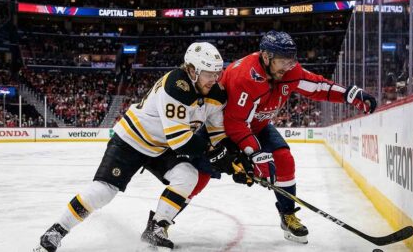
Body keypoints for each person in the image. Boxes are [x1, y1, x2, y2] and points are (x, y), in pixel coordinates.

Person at [34, 42, 233, 252]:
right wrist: (213, 152)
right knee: (104, 191)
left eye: (217, 73)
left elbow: (217, 132)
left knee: (187, 176)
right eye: (208, 73)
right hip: (131, 140)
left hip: (160, 146)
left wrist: (229, 155)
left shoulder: (216, 93)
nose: (214, 79)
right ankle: (57, 230)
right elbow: (180, 140)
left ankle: (156, 228)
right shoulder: (176, 85)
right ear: (192, 70)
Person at [219, 30, 377, 244]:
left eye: (291, 60)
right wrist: (255, 154)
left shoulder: (289, 71)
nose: (288, 67)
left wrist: (351, 95)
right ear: (266, 57)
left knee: (284, 157)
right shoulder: (245, 77)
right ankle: (162, 221)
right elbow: (235, 123)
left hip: (257, 125)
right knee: (198, 174)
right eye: (283, 61)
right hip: (221, 130)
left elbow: (318, 87)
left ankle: (287, 215)